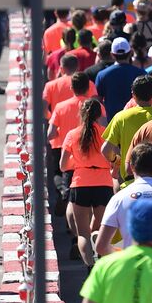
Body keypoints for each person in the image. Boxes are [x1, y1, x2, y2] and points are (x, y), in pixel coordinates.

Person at [61, 98, 113, 266]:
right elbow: (114, 159)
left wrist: (78, 162)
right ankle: (100, 264)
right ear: (100, 115)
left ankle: (89, 266)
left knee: (83, 233)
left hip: (80, 183)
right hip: (104, 184)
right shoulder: (106, 133)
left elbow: (63, 166)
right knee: (99, 230)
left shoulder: (72, 135)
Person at [96, 143, 152, 257]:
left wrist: (124, 256)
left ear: (131, 166)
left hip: (132, 267)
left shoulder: (118, 198)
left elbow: (101, 247)